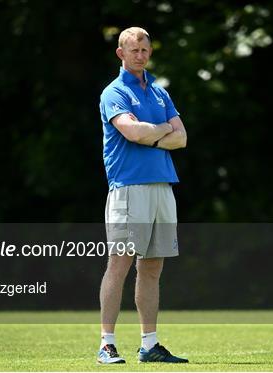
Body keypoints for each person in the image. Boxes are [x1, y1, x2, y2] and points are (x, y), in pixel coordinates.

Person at [97, 26, 188, 364]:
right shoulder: (114, 92)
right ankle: (106, 344)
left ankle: (149, 345)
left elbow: (183, 138)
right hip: (129, 188)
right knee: (119, 264)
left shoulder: (160, 93)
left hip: (162, 186)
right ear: (121, 53)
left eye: (144, 49)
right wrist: (162, 130)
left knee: (151, 268)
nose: (140, 55)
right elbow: (131, 132)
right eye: (133, 50)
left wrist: (154, 132)